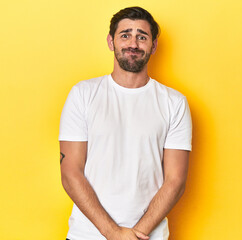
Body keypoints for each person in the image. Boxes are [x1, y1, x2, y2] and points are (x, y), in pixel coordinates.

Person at [59, 6, 192, 240]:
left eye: (142, 36)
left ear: (153, 46)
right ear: (111, 42)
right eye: (125, 35)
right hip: (86, 234)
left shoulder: (175, 103)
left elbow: (176, 180)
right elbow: (70, 172)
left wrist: (137, 233)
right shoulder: (82, 94)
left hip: (148, 236)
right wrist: (113, 232)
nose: (133, 43)